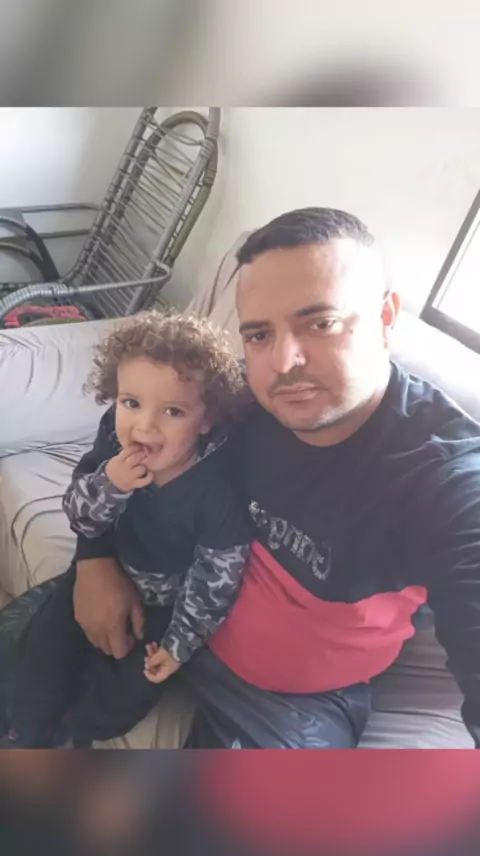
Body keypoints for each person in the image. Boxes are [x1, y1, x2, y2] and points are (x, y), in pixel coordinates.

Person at [59, 207, 480, 749]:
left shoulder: (443, 479)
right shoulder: (239, 397)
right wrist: (93, 557)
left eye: (320, 323)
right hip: (164, 613)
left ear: (385, 317)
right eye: (258, 334)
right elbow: (125, 430)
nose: (283, 362)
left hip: (288, 703)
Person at [1, 311, 251, 748]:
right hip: (108, 567)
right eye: (131, 403)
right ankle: (25, 729)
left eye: (172, 411)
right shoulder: (115, 446)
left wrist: (179, 644)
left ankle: (72, 734)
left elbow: (215, 581)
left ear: (206, 419)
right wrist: (110, 484)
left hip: (165, 608)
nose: (144, 426)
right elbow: (81, 516)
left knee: (127, 694)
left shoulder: (216, 491)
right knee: (44, 649)